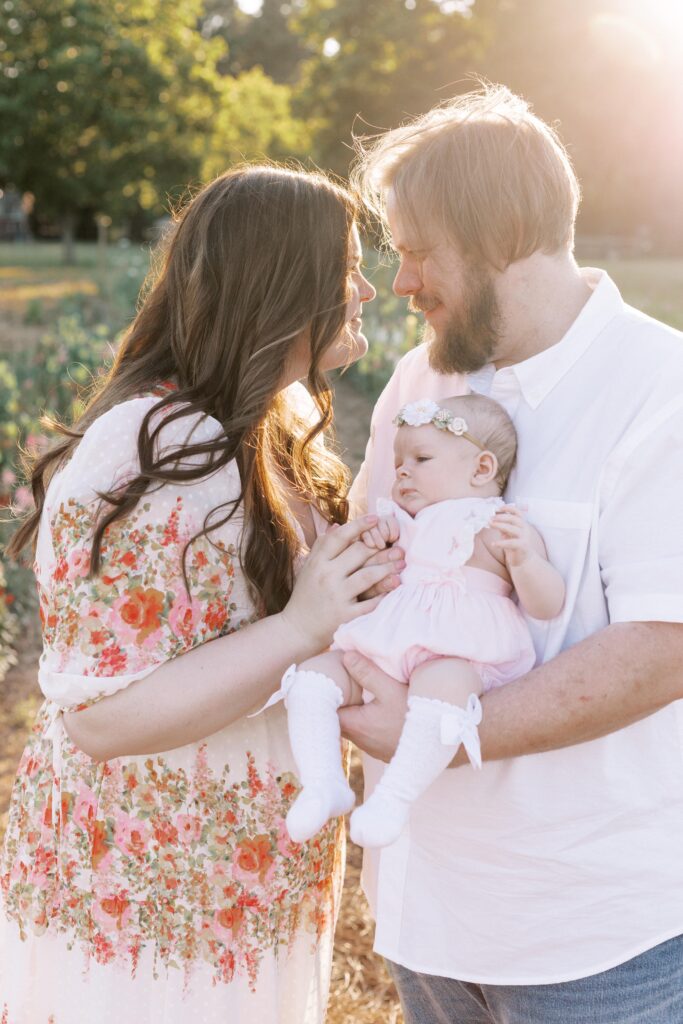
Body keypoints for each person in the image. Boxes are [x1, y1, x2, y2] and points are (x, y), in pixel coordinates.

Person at [0, 165, 398, 1024]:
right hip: (150, 876)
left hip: (242, 864)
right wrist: (302, 626)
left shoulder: (274, 421)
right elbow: (102, 720)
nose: (366, 289)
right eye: (347, 269)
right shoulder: (153, 446)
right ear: (278, 282)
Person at [338, 84, 683, 1023]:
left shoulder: (662, 389)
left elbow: (664, 646)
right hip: (427, 910)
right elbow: (379, 559)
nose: (399, 282)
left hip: (592, 937)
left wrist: (443, 732)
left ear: (502, 234)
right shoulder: (425, 376)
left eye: (415, 251)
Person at [280, 393, 563, 848]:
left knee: (445, 683)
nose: (403, 471)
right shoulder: (401, 522)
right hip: (385, 642)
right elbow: (372, 573)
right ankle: (323, 781)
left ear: (482, 469)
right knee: (313, 678)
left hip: (458, 649)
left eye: (421, 458)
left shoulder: (498, 524)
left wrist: (526, 561)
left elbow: (546, 605)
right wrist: (373, 542)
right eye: (398, 462)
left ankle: (396, 796)